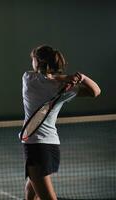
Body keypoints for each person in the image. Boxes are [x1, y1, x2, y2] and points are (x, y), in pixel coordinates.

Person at [22, 45, 101, 200]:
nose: (31, 62)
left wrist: (66, 78)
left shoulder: (28, 79)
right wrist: (80, 77)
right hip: (52, 146)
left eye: (33, 59)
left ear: (37, 62)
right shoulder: (63, 88)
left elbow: (45, 77)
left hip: (36, 147)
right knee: (32, 188)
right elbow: (96, 91)